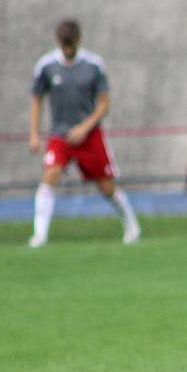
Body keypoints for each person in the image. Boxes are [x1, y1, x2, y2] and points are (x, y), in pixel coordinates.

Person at [28, 19, 141, 248]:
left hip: (89, 136)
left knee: (106, 186)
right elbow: (37, 98)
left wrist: (84, 127)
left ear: (79, 41)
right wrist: (34, 133)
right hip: (60, 135)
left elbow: (104, 103)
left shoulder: (94, 65)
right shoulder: (46, 66)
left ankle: (131, 225)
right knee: (50, 177)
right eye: (64, 46)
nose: (68, 50)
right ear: (58, 42)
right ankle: (39, 236)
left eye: (71, 46)